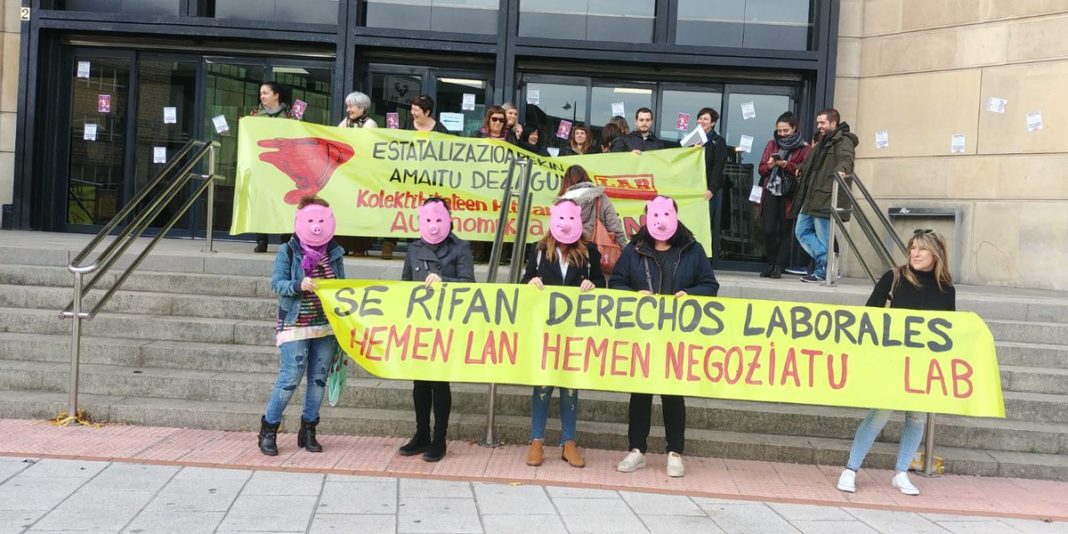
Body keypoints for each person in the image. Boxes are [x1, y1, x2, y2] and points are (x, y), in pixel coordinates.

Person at [837, 229, 956, 496]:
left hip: (922, 365)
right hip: (890, 362)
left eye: (922, 249)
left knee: (916, 419)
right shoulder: (894, 278)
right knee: (877, 416)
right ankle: (850, 469)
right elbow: (868, 316)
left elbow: (950, 329)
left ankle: (901, 472)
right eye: (913, 247)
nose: (915, 253)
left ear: (937, 254)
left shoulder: (946, 289)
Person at [610, 196, 720, 477]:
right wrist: (634, 295)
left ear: (676, 216)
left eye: (666, 215)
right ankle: (637, 450)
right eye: (655, 216)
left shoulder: (692, 250)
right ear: (647, 218)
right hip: (642, 335)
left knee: (673, 395)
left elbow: (710, 285)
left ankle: (675, 452)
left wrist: (690, 294)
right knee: (640, 393)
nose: (660, 221)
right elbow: (616, 283)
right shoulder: (634, 250)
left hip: (677, 336)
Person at [258, 196, 345, 456]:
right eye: (311, 220)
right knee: (290, 378)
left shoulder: (335, 252)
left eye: (321, 220)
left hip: (326, 326)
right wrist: (298, 285)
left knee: (318, 380)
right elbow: (277, 283)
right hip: (295, 324)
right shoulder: (288, 251)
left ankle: (308, 430)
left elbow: (342, 286)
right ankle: (269, 429)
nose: (317, 226)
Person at [521, 199, 604, 468]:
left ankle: (568, 442)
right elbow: (525, 281)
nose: (566, 225)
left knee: (570, 386)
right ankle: (536, 441)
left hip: (575, 330)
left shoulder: (589, 251)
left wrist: (593, 285)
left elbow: (601, 283)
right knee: (543, 384)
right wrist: (531, 282)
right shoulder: (539, 250)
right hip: (546, 330)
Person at [398, 197, 475, 462]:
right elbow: (404, 284)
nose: (433, 225)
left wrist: (444, 281)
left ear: (449, 220)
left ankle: (439, 438)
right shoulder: (413, 248)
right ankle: (422, 434)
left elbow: (469, 284)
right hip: (419, 322)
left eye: (438, 219)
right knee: (420, 381)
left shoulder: (460, 248)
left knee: (439, 382)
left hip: (445, 324)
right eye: (428, 219)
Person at [793, 108, 857, 283]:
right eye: (818, 122)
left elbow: (846, 158)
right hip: (811, 196)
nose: (819, 126)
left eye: (822, 122)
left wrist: (842, 170)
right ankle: (826, 262)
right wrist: (799, 169)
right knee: (801, 231)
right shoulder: (823, 140)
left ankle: (824, 271)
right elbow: (811, 164)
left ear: (833, 123)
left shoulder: (843, 140)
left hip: (826, 197)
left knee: (824, 237)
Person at [756, 112, 811, 278]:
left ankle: (779, 266)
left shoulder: (805, 148)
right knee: (768, 229)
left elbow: (804, 171)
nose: (782, 134)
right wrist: (770, 166)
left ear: (794, 128)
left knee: (785, 231)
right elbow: (761, 169)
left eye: (785, 130)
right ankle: (771, 263)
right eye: (779, 131)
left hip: (789, 193)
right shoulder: (772, 144)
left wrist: (787, 165)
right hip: (771, 190)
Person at [251, 81, 299, 253]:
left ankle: (285, 240)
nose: (262, 96)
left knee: (283, 202)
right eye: (261, 93)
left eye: (265, 93)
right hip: (262, 164)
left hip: (283, 166)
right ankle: (261, 240)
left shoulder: (289, 114)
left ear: (276, 95)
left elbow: (297, 135)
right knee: (262, 202)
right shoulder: (255, 114)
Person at [337, 91, 377, 256]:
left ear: (362, 108)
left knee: (360, 210)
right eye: (348, 106)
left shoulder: (370, 124)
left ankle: (360, 246)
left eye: (351, 106)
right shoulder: (345, 122)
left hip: (363, 175)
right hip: (347, 174)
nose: (348, 110)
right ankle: (344, 245)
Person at [557, 165, 628, 250]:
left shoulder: (562, 202)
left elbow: (557, 231)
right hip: (599, 250)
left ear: (566, 181)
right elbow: (614, 226)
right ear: (586, 177)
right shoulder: (600, 197)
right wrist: (624, 249)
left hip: (572, 251)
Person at [696, 107, 729, 255]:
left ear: (713, 123)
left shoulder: (718, 142)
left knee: (703, 224)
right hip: (692, 188)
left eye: (705, 119)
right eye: (700, 118)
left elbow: (718, 166)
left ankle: (702, 258)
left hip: (707, 190)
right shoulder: (692, 139)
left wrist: (712, 188)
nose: (701, 121)